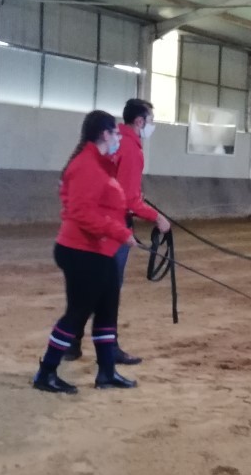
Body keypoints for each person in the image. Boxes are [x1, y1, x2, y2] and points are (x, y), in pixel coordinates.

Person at [32, 110, 139, 395]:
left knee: (106, 310)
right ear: (105, 134)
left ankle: (106, 372)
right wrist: (120, 232)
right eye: (116, 133)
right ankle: (46, 372)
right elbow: (81, 212)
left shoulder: (101, 164)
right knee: (77, 313)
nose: (119, 137)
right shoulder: (87, 166)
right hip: (81, 250)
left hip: (99, 251)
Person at [63, 99, 171, 364]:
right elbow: (130, 200)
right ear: (140, 121)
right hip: (112, 227)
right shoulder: (132, 150)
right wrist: (158, 218)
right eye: (151, 120)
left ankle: (71, 342)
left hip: (88, 226)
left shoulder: (107, 143)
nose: (151, 125)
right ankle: (107, 348)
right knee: (108, 290)